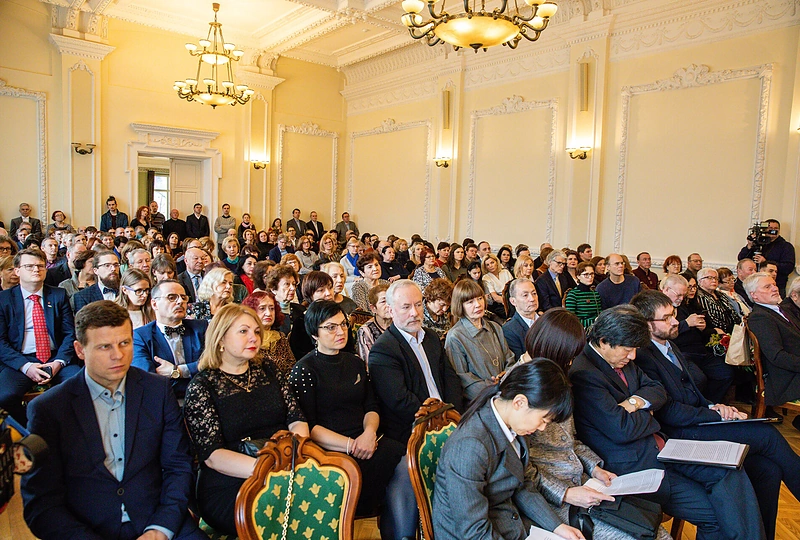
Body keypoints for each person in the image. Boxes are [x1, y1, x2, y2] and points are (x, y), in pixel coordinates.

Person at [570, 306, 766, 540]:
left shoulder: (622, 357)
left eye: (634, 350)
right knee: (715, 516)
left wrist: (633, 403)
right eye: (628, 350)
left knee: (733, 470)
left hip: (664, 447)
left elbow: (657, 390)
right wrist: (648, 413)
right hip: (636, 467)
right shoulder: (585, 374)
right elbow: (622, 429)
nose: (632, 356)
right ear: (603, 341)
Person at [20, 300, 204, 540]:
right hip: (87, 528)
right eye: (104, 346)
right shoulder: (49, 408)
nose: (118, 355)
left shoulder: (157, 390)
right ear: (79, 350)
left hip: (156, 518)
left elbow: (178, 465)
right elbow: (41, 504)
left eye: (124, 343)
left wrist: (160, 528)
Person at [632, 289, 800, 540]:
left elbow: (694, 392)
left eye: (673, 314)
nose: (675, 321)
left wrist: (716, 406)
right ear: (647, 324)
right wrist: (712, 414)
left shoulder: (668, 344)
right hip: (681, 433)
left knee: (768, 469)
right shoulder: (643, 355)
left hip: (698, 420)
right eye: (666, 318)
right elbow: (670, 412)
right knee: (766, 435)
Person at [519, 309, 671, 540]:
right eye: (569, 357)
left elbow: (572, 440)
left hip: (584, 483)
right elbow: (520, 468)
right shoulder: (520, 393)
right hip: (553, 497)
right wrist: (566, 493)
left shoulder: (557, 377)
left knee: (652, 530)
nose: (572, 363)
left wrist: (594, 467)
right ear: (550, 350)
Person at [183, 303, 309, 535]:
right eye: (243, 331)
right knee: (281, 515)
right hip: (231, 480)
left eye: (256, 331)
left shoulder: (268, 368)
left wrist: (291, 458)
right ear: (220, 339)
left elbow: (296, 419)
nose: (254, 337)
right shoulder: (203, 386)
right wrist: (267, 471)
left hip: (282, 464)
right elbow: (212, 456)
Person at [433, 359, 585, 540]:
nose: (543, 428)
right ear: (519, 402)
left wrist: (557, 527)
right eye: (544, 419)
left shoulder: (514, 424)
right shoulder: (470, 446)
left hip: (506, 521)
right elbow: (473, 532)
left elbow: (523, 484)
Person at [290, 301, 406, 531]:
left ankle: (399, 532)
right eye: (330, 327)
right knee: (359, 472)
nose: (341, 332)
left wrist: (369, 433)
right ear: (315, 333)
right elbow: (308, 426)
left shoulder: (354, 362)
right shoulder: (304, 370)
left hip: (365, 438)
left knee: (404, 457)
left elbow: (370, 405)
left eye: (343, 324)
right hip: (330, 448)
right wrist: (352, 444)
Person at [368, 280, 464, 539]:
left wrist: (453, 417)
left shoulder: (431, 337)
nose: (415, 312)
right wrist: (438, 421)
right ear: (389, 310)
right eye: (406, 307)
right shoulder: (383, 351)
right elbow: (399, 401)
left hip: (446, 421)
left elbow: (450, 379)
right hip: (410, 431)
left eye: (419, 305)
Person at [0, 248, 81, 422]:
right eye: (29, 266)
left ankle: (65, 430)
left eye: (40, 266)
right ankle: (29, 430)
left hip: (55, 358)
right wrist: (26, 366)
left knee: (81, 388)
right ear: (17, 271)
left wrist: (58, 363)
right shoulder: (4, 299)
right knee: (5, 396)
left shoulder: (58, 295)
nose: (36, 270)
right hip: (20, 360)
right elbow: (1, 342)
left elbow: (69, 334)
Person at [132, 279, 207, 398]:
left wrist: (177, 371)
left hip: (203, 397)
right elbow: (147, 378)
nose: (180, 301)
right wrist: (194, 369)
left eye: (183, 297)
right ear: (154, 304)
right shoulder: (140, 336)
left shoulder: (201, 327)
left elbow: (214, 362)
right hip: (165, 402)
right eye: (172, 297)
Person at [445, 279, 515, 403]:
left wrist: (506, 379)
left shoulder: (495, 327)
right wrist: (493, 389)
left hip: (506, 394)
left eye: (480, 299)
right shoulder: (455, 337)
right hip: (480, 402)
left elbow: (509, 359)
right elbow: (462, 379)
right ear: (460, 306)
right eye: (470, 302)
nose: (478, 305)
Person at [745, 272, 800, 422]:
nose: (775, 289)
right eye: (767, 286)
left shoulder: (782, 309)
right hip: (786, 378)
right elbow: (777, 356)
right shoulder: (760, 317)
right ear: (754, 295)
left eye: (774, 285)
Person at [242, 290, 295, 375]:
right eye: (262, 308)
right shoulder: (246, 339)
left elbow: (291, 367)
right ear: (251, 311)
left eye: (272, 308)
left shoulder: (280, 337)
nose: (268, 313)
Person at [738, 219, 796, 295]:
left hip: (776, 285)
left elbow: (788, 267)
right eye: (770, 228)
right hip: (755, 284)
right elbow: (741, 259)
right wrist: (749, 245)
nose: (773, 231)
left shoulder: (786, 246)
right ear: (764, 230)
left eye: (776, 229)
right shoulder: (759, 243)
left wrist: (765, 262)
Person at [502, 278, 540, 360]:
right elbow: (520, 365)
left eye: (534, 293)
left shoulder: (546, 320)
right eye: (525, 295)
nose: (532, 299)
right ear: (513, 301)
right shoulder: (510, 330)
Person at [695, 267, 740, 334]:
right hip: (717, 333)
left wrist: (738, 326)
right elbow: (711, 319)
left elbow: (733, 311)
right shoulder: (700, 297)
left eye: (716, 278)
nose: (714, 280)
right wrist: (731, 329)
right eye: (710, 278)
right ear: (700, 281)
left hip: (734, 330)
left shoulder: (721, 294)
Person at [357, 283, 392, 362]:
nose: (389, 305)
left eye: (391, 300)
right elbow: (369, 362)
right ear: (373, 308)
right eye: (383, 301)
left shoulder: (401, 324)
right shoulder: (366, 331)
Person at [564, 261, 602, 331]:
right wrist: (592, 321)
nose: (590, 277)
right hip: (579, 330)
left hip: (595, 329)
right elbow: (571, 319)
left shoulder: (595, 294)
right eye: (586, 274)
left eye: (592, 274)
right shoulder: (573, 294)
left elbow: (599, 313)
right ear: (578, 276)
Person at [482, 253, 513, 319]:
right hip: (498, 304)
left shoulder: (505, 272)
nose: (490, 266)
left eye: (492, 262)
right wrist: (507, 303)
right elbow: (495, 297)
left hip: (511, 297)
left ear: (496, 262)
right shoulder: (486, 277)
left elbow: (513, 287)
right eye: (487, 265)